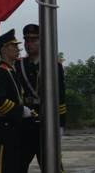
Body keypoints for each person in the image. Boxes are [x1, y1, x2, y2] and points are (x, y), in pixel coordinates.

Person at [15, 23, 66, 173]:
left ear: (42, 41)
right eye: (26, 40)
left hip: (47, 123)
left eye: (33, 40)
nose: (28, 44)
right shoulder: (19, 65)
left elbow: (60, 96)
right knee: (17, 165)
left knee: (52, 165)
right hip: (25, 123)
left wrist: (60, 124)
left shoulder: (53, 65)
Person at [0, 29, 33, 173]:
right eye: (13, 46)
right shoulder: (0, 73)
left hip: (12, 131)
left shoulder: (11, 72)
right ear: (4, 50)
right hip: (2, 131)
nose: (17, 49)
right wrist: (20, 110)